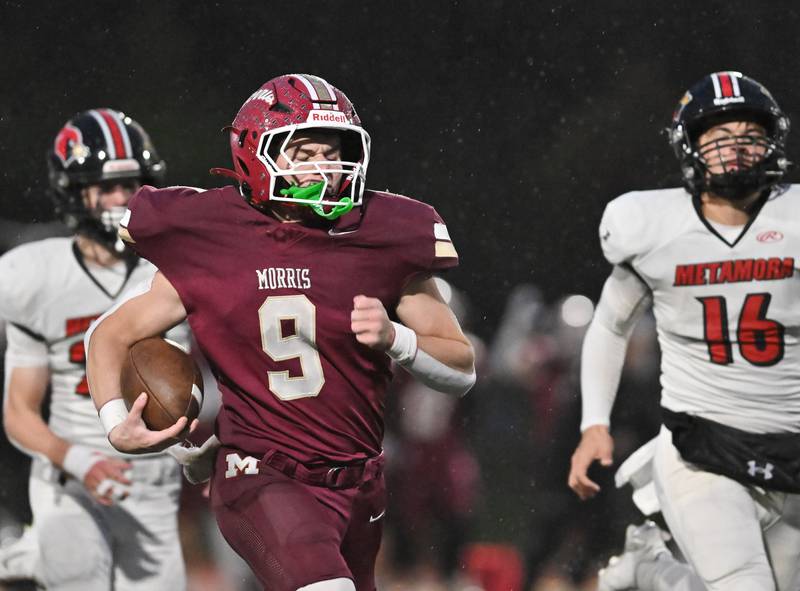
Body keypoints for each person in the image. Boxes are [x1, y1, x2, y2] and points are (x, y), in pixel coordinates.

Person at [85, 73, 476, 591]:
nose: (326, 166)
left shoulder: (386, 234)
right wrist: (116, 423)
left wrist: (397, 340)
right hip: (262, 472)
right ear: (255, 154)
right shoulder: (208, 234)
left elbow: (461, 368)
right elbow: (109, 335)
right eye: (305, 151)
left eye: (335, 150)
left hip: (361, 484)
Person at [568, 70, 800, 591]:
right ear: (689, 147)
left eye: (750, 136)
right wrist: (594, 424)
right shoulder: (655, 227)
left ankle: (653, 570)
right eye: (719, 138)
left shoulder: (795, 216)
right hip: (705, 448)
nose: (736, 151)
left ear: (773, 143)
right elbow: (610, 324)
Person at [0, 109, 187, 590]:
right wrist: (79, 461)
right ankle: (38, 552)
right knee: (79, 574)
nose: (123, 200)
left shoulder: (180, 265)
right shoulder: (35, 276)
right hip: (73, 475)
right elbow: (19, 410)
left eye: (133, 185)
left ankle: (28, 555)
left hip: (157, 484)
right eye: (107, 187)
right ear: (74, 191)